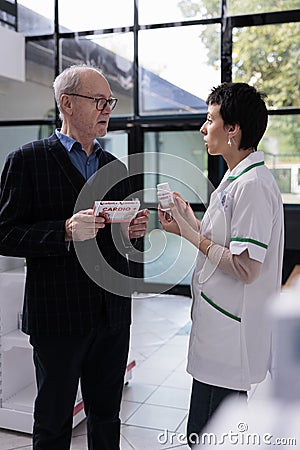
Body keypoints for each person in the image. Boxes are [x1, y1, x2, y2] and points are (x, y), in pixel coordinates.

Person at [0, 64, 149, 450]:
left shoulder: (116, 168)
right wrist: (64, 231)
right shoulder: (27, 161)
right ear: (67, 103)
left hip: (112, 315)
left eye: (110, 102)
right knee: (52, 421)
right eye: (99, 101)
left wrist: (133, 235)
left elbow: (128, 248)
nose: (107, 109)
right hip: (58, 317)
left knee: (106, 418)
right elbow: (4, 233)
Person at [158, 82, 284, 447]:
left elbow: (247, 267)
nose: (203, 127)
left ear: (233, 129)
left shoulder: (253, 186)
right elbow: (223, 243)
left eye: (210, 119)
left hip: (231, 337)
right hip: (219, 330)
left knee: (208, 436)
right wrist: (188, 223)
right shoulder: (235, 180)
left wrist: (191, 235)